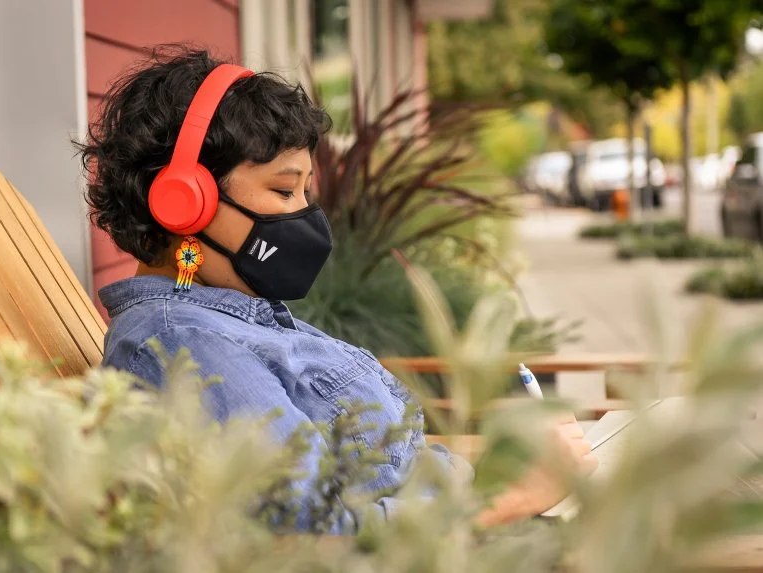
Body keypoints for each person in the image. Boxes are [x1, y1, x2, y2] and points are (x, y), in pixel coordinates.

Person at [81, 47, 597, 534]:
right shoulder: (183, 344)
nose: (305, 214)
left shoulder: (231, 316)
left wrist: (504, 470)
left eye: (305, 191)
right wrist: (512, 499)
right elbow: (309, 532)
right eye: (284, 190)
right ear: (180, 203)